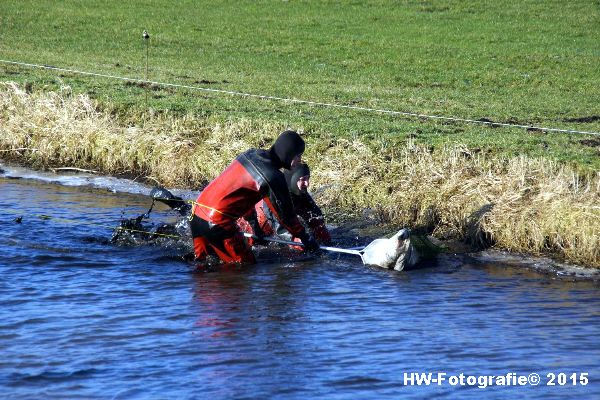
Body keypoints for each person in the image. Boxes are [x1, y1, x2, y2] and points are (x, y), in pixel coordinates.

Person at [190, 130, 319, 266]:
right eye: (298, 155)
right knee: (245, 268)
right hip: (217, 224)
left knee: (201, 267)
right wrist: (305, 238)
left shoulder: (251, 154)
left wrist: (254, 226)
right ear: (288, 153)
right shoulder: (273, 177)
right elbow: (286, 216)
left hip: (196, 213)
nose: (299, 160)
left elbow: (241, 197)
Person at [240, 162, 331, 247]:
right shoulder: (276, 197)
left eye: (308, 178)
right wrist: (303, 242)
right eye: (303, 179)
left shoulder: (301, 195)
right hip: (254, 229)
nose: (307, 184)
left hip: (275, 227)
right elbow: (282, 231)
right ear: (292, 180)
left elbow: (316, 219)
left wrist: (325, 240)